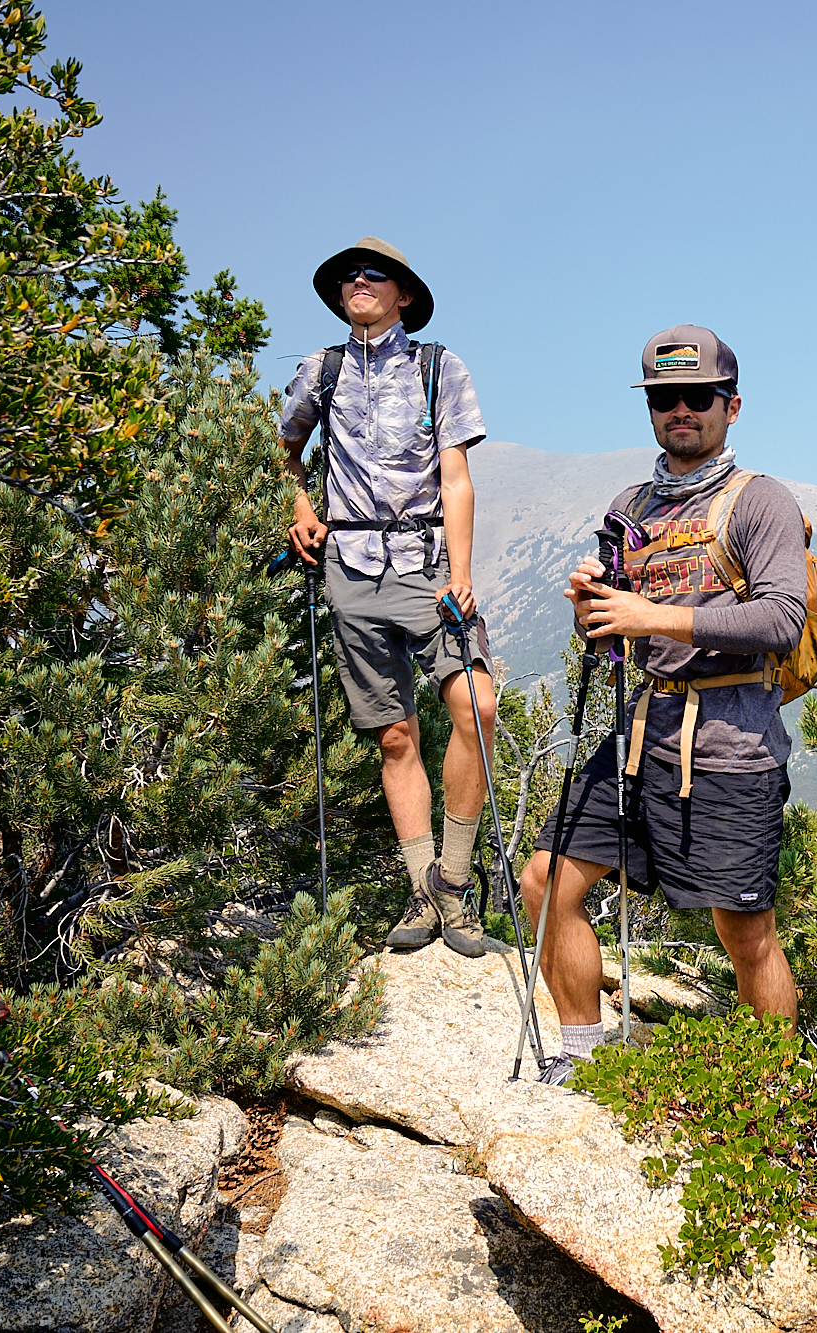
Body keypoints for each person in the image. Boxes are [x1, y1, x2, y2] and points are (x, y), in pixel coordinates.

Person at [522, 324, 804, 1084]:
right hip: (642, 733)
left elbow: (782, 619)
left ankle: (774, 1096)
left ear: (731, 406)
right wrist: (594, 607)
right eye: (663, 398)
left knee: (745, 935)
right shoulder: (630, 504)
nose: (680, 409)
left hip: (730, 742)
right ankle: (583, 1063)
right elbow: (612, 640)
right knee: (545, 881)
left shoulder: (760, 501)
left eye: (697, 397)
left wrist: (655, 617)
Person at [277, 236, 497, 958]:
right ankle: (422, 892)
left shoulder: (440, 366)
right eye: (349, 275)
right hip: (351, 564)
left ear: (404, 294)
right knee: (395, 734)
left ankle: (457, 884)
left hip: (431, 564)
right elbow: (283, 452)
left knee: (478, 705)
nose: (359, 281)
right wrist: (300, 506)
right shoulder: (322, 370)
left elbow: (456, 475)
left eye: (376, 274)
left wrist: (461, 570)